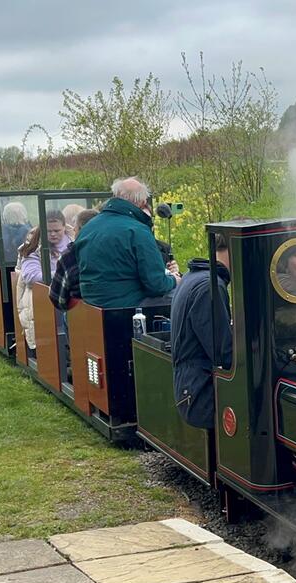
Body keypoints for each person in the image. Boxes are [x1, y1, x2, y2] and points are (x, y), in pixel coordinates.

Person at [73, 177, 180, 308]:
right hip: (128, 307)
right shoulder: (138, 231)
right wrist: (174, 279)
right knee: (184, 297)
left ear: (115, 196)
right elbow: (157, 285)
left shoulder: (88, 228)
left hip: (92, 306)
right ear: (142, 202)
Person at [168, 236, 233, 430]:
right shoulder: (209, 287)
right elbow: (223, 353)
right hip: (203, 393)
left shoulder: (194, 276)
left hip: (192, 386)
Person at [14, 212, 70, 352]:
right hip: (41, 298)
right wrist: (63, 275)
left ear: (64, 227)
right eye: (49, 231)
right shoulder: (32, 248)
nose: (53, 234)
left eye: (57, 230)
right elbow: (31, 276)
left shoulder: (73, 244)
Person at [49, 209, 97, 311]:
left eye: (75, 229)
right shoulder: (115, 249)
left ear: (80, 229)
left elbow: (57, 298)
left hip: (79, 311)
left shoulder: (70, 255)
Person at [0, 202, 31, 269]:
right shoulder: (33, 232)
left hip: (6, 275)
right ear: (24, 214)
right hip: (29, 273)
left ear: (5, 216)